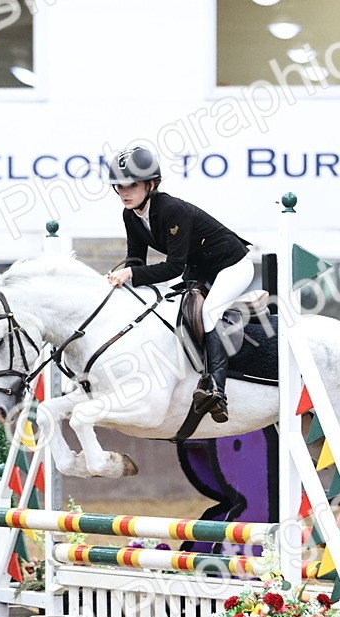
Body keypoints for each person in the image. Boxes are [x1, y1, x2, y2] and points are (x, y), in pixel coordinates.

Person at [104, 145, 253, 424]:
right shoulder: (130, 215)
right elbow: (136, 258)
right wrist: (121, 277)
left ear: (151, 184)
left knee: (208, 313)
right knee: (170, 310)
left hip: (232, 265)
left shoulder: (171, 209)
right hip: (199, 268)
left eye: (132, 185)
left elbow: (173, 266)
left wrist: (132, 275)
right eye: (119, 186)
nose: (124, 192)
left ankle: (216, 389)